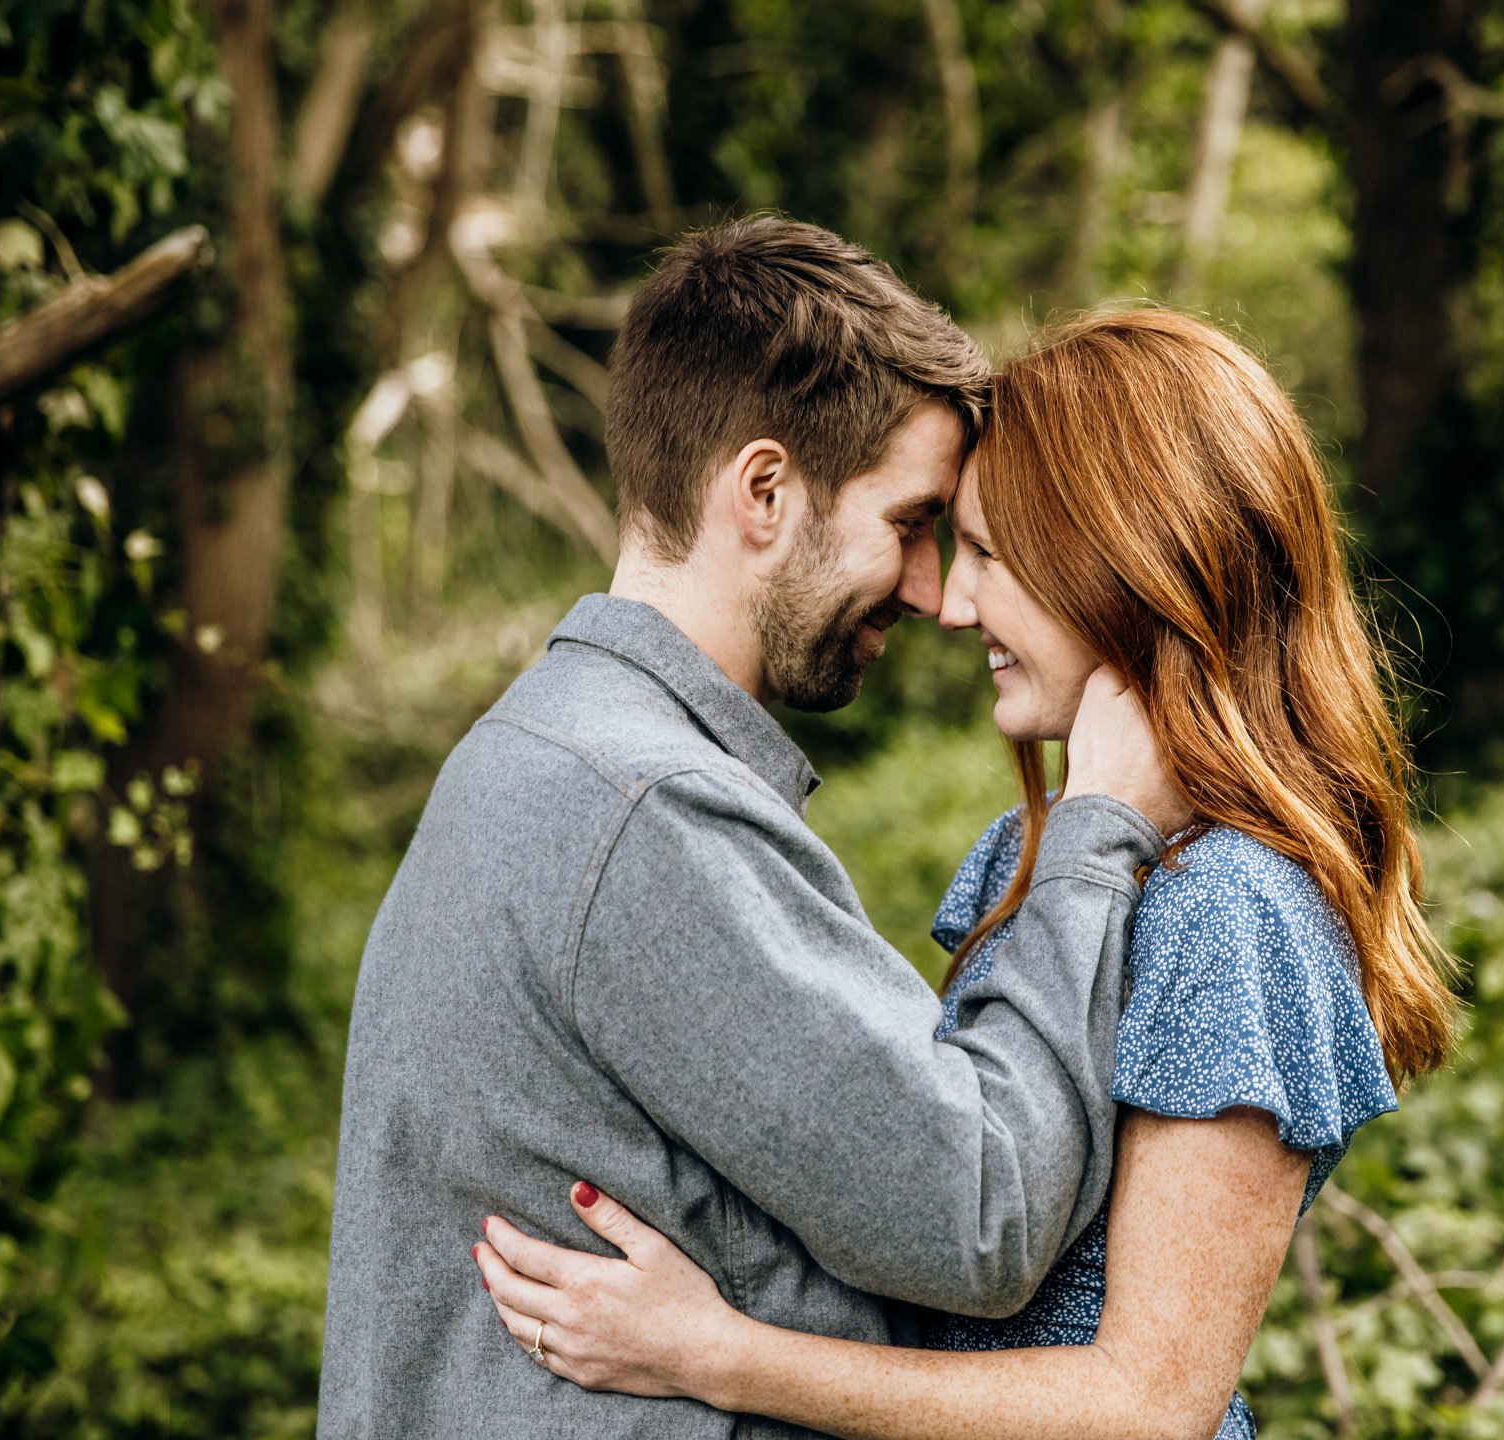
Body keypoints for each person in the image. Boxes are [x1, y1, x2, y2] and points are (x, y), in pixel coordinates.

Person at [470, 309, 1462, 1439]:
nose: (951, 601)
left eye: (993, 556)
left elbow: (1143, 1409)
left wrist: (719, 1353)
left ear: (1129, 562)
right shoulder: (1042, 855)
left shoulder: (1231, 909)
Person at [318, 221, 1191, 1439]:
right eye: (911, 522)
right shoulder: (644, 813)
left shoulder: (533, 756)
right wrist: (1097, 834)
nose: (936, 592)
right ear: (766, 492)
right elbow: (979, 1212)